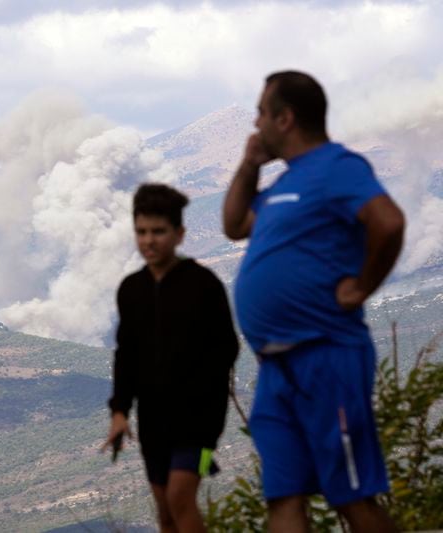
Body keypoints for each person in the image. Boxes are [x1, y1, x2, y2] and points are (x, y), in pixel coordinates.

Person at [223, 71, 405, 533]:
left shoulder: (337, 166)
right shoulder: (283, 184)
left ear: (284, 119)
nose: (255, 121)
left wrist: (362, 286)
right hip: (275, 368)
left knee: (353, 498)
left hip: (326, 355)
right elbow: (233, 225)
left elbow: (388, 222)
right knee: (283, 498)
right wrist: (249, 165)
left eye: (262, 112)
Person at [105, 183, 239, 533]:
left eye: (158, 232)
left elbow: (227, 348)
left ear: (179, 234)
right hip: (153, 422)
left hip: (200, 424)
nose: (149, 241)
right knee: (165, 511)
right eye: (142, 232)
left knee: (181, 497)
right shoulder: (131, 290)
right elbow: (126, 355)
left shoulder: (203, 284)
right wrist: (120, 411)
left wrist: (196, 386)